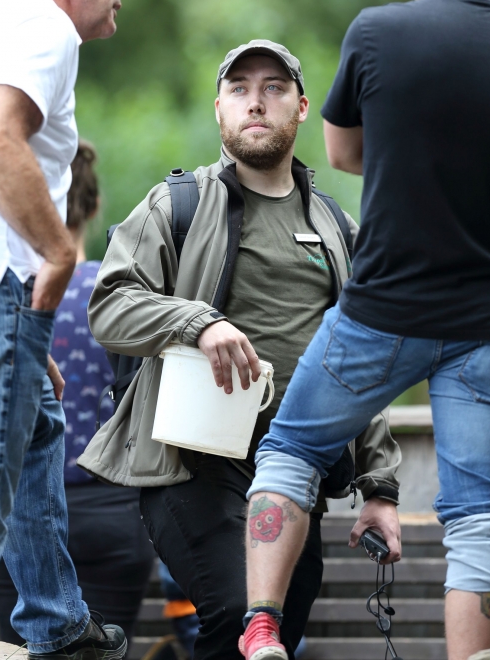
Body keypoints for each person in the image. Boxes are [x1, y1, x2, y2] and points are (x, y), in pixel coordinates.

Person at [240, 0, 490, 660]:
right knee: (478, 509)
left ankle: (262, 626)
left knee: (291, 451)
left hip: (384, 312)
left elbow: (343, 152)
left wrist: (415, 154)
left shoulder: (377, 32)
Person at [80, 39, 402, 660]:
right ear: (219, 109)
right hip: (193, 462)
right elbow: (110, 305)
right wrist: (197, 322)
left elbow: (362, 361)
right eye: (240, 89)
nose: (256, 102)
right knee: (239, 611)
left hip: (296, 469)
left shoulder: (337, 229)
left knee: (277, 633)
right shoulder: (176, 204)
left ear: (302, 107)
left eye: (274, 88)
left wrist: (380, 488)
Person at [0, 0, 128, 660]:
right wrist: (57, 255)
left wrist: (27, 337)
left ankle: (57, 622)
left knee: (37, 434)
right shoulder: (43, 26)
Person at [0, 141, 154, 650]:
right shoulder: (121, 296)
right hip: (115, 513)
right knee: (98, 653)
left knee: (21, 650)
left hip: (18, 519)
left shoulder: (5, 302)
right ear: (93, 205)